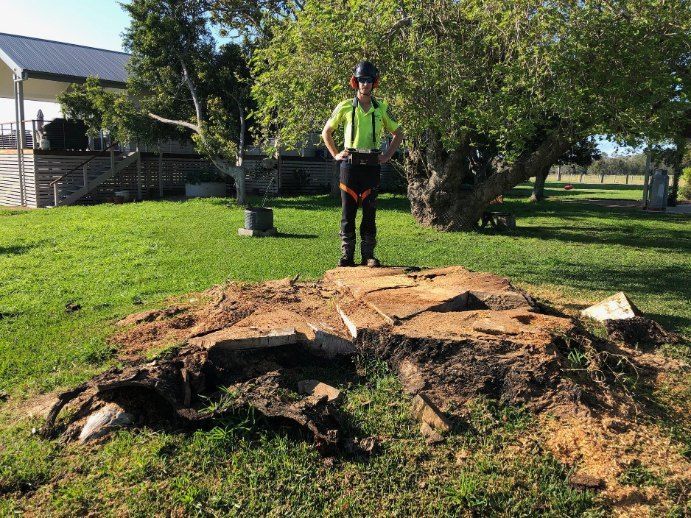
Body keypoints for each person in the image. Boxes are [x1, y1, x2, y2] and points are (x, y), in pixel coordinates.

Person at [322, 60, 404, 267]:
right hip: (349, 165)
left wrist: (386, 156)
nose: (365, 84)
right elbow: (327, 132)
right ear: (355, 82)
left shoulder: (381, 108)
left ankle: (368, 255)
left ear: (374, 83)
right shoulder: (346, 106)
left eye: (368, 80)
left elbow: (398, 133)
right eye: (361, 80)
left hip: (371, 166)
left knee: (370, 212)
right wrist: (335, 154)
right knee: (347, 213)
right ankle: (346, 256)